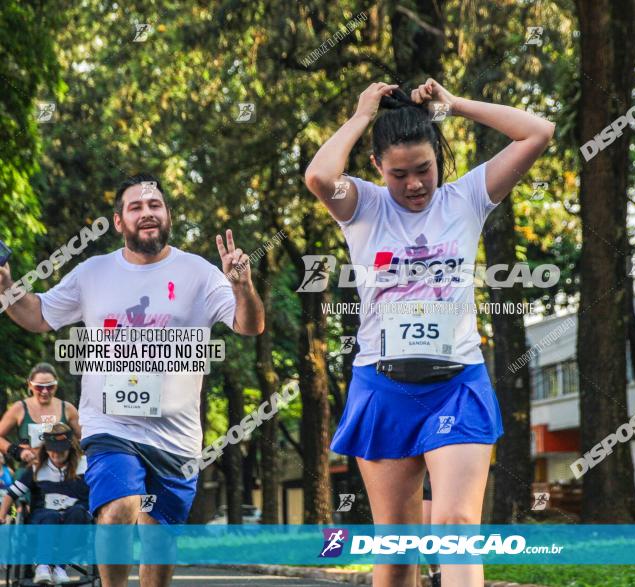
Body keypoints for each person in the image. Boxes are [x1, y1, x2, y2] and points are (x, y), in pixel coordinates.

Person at [305, 79, 554, 587]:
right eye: (399, 174)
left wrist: (455, 104)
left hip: (456, 384)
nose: (414, 184)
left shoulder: (466, 199)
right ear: (377, 167)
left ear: (440, 158)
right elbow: (319, 175)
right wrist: (360, 116)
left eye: (424, 169)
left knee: (456, 524)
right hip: (383, 385)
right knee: (398, 552)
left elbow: (538, 132)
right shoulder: (364, 207)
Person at [0, 174, 265, 587]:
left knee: (159, 542)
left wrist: (243, 285)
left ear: (168, 216)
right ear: (119, 221)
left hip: (176, 437)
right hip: (110, 425)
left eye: (155, 205)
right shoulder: (93, 273)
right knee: (120, 504)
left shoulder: (199, 273)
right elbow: (38, 314)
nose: (147, 214)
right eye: (136, 207)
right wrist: (6, 288)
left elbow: (249, 325)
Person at [0, 423, 90, 585]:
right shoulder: (37, 468)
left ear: (70, 448)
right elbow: (11, 494)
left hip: (75, 521)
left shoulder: (84, 466)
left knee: (78, 512)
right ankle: (43, 565)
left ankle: (59, 567)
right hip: (43, 519)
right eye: (52, 449)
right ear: (46, 448)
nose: (56, 454)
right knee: (50, 516)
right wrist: (1, 516)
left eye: (61, 449)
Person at [0, 362, 81, 466]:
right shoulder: (19, 408)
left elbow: (84, 439)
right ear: (30, 385)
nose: (45, 391)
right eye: (39, 387)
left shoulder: (67, 409)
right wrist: (17, 451)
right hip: (30, 471)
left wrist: (69, 447)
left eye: (50, 386)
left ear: (56, 385)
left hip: (62, 472)